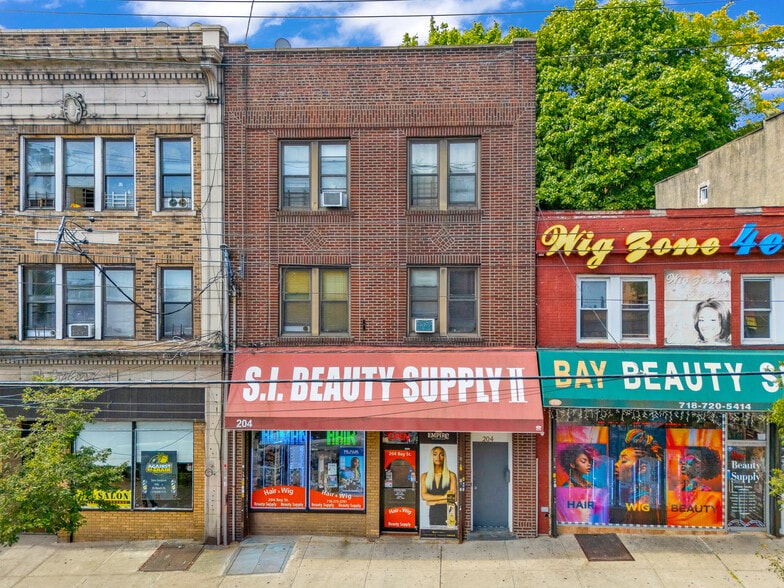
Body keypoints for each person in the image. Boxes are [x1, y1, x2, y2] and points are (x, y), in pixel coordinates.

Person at [614, 429, 664, 525]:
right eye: (618, 460)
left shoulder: (642, 502)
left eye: (624, 461)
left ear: (642, 468)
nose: (616, 464)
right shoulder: (634, 495)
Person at [420, 446, 457, 526]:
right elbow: (424, 496)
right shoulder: (424, 476)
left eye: (441, 454)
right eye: (435, 454)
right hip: (434, 513)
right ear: (431, 457)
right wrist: (444, 496)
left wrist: (434, 501)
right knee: (434, 535)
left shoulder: (451, 475)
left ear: (444, 457)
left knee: (450, 535)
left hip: (450, 511)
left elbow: (454, 498)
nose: (438, 457)